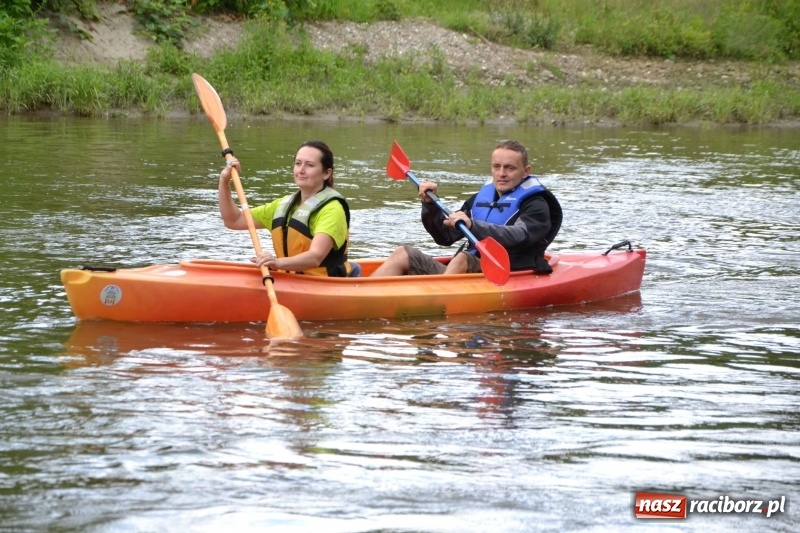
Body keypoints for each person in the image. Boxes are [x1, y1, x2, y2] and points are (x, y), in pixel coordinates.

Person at [370, 140, 562, 277]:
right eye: (496, 167)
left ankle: (434, 301)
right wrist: (430, 206)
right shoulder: (481, 199)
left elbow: (520, 235)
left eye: (510, 168)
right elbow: (445, 237)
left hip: (508, 272)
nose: (501, 173)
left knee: (463, 258)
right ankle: (363, 293)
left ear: (526, 171)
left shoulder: (536, 205)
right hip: (462, 273)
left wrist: (473, 226)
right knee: (403, 254)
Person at [218, 140, 359, 277]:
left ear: (326, 173)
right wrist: (224, 181)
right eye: (298, 163)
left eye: (309, 165)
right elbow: (233, 220)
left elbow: (315, 257)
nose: (301, 170)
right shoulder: (282, 205)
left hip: (324, 283)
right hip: (288, 278)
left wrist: (277, 263)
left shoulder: (332, 209)